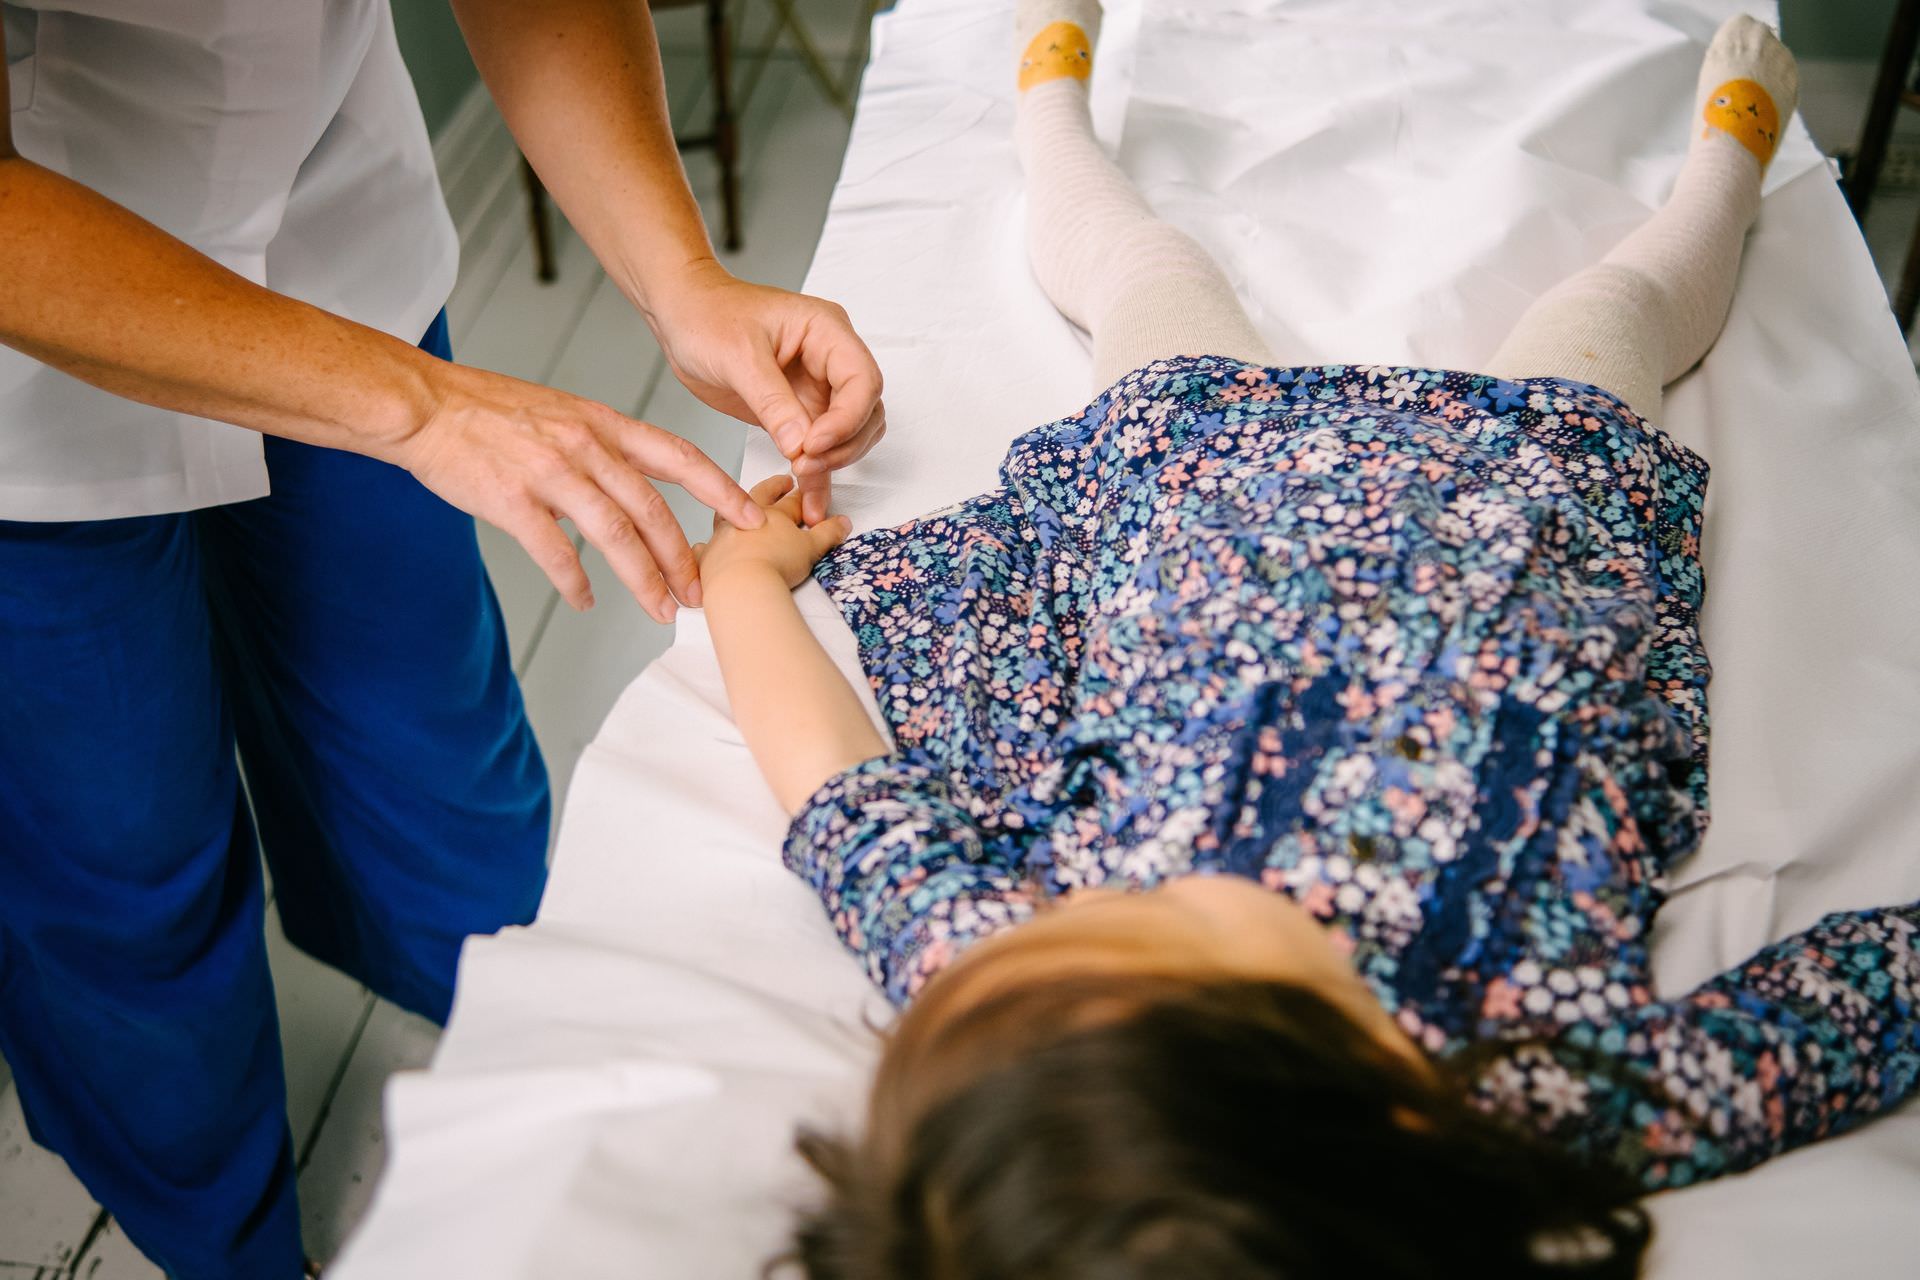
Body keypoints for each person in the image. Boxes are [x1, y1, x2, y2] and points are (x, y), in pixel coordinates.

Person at [697, 5, 1920, 1277]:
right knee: (1621, 305)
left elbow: (841, 795)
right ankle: (1731, 153)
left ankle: (1047, 94)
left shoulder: (1011, 1010)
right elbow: (1869, 989)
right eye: (1175, 947)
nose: (1039, 937)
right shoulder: (1539, 1100)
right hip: (1524, 519)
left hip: (1217, 501)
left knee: (1143, 274)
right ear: (1378, 1106)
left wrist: (742, 584)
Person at [0, 2, 881, 1276]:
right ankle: (221, 1247)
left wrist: (683, 278)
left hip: (330, 221)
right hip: (27, 371)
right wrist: (418, 411)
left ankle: (528, 1067)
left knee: (436, 751)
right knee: (121, 870)